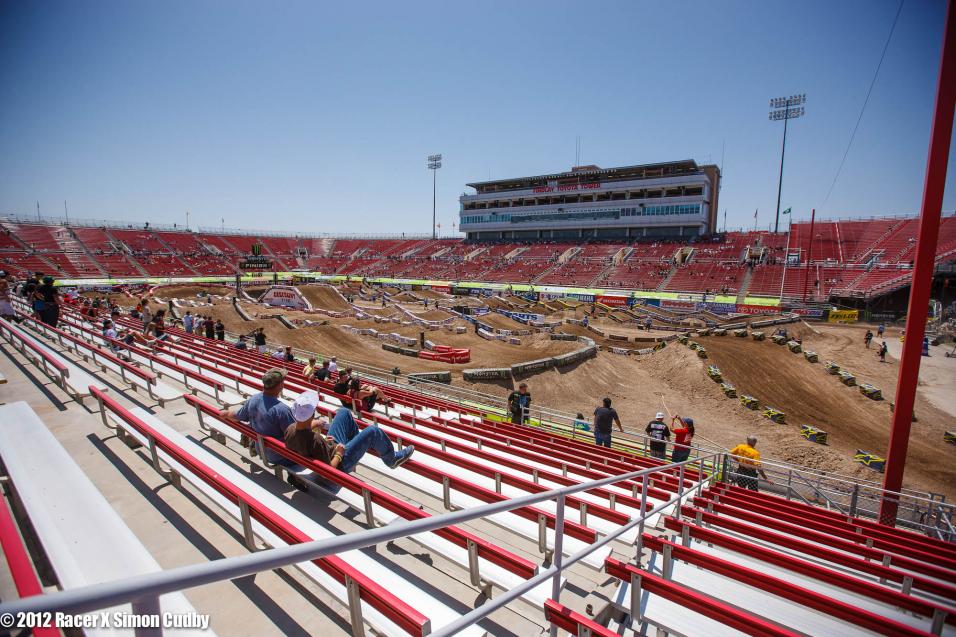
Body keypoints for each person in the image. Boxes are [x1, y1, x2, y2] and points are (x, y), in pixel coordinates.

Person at [285, 393, 414, 487]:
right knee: (373, 431)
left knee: (344, 412)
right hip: (339, 462)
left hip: (328, 448)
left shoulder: (290, 429)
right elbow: (327, 472)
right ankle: (392, 459)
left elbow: (304, 434)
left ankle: (356, 444)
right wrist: (339, 453)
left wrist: (318, 427)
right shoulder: (316, 440)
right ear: (312, 414)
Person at [219, 369, 306, 490]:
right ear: (281, 385)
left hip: (261, 449)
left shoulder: (253, 399)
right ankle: (296, 476)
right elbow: (295, 437)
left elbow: (237, 415)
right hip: (280, 455)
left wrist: (226, 413)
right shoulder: (282, 410)